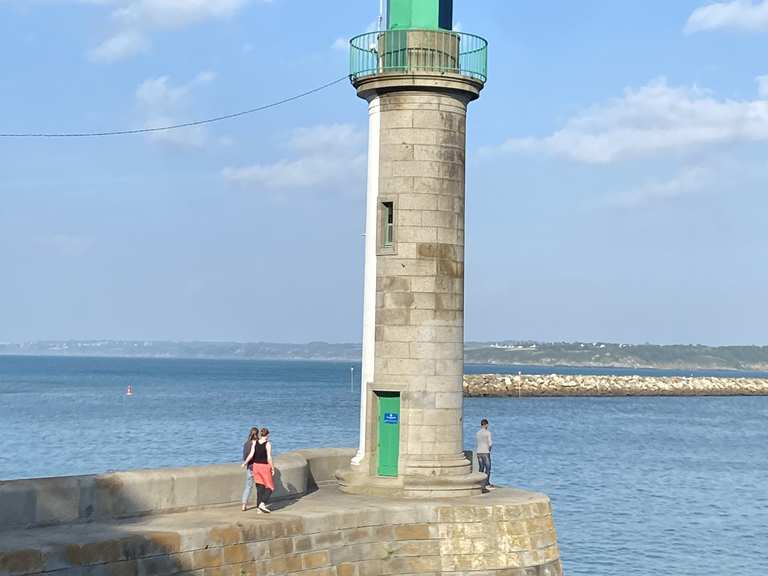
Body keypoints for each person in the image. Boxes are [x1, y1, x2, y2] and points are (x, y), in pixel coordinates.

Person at [251, 427, 275, 513]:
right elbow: (269, 457)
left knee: (260, 488)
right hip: (264, 467)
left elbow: (251, 454)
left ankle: (258, 509)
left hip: (256, 466)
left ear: (261, 434)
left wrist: (245, 463)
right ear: (267, 435)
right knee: (270, 487)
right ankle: (262, 503)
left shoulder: (255, 442)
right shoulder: (268, 444)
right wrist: (272, 467)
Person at [240, 427, 259, 511]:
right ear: (257, 434)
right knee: (260, 486)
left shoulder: (246, 443)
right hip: (258, 467)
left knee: (248, 487)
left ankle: (244, 505)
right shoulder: (258, 443)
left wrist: (245, 463)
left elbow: (245, 457)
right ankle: (260, 504)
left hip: (250, 467)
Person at [476, 418, 494, 490]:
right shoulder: (488, 433)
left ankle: (480, 482)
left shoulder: (478, 433)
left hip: (479, 452)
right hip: (485, 452)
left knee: (481, 468)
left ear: (481, 425)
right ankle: (486, 483)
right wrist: (489, 449)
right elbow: (490, 443)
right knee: (488, 468)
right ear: (486, 425)